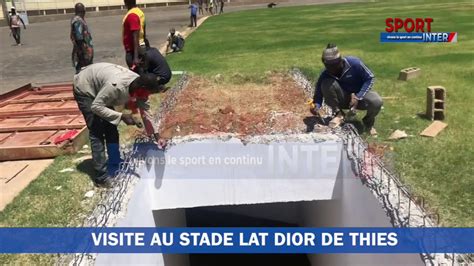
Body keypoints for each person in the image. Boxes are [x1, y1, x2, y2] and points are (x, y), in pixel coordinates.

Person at [73, 63, 167, 187]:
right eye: (147, 93)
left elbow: (146, 112)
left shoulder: (140, 85)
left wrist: (157, 135)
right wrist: (122, 116)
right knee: (97, 131)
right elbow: (96, 107)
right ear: (140, 88)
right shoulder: (115, 86)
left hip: (101, 87)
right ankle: (101, 177)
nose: (147, 96)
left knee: (111, 126)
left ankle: (115, 161)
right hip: (86, 87)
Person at [310, 44, 383, 135]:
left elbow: (370, 78)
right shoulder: (326, 74)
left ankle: (368, 123)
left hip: (360, 97)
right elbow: (318, 93)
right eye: (328, 66)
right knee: (326, 83)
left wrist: (357, 97)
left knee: (376, 101)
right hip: (343, 99)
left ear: (340, 61)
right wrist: (316, 105)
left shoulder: (354, 63)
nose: (331, 69)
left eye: (333, 66)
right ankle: (338, 114)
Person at [123, 0, 147, 69]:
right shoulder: (140, 12)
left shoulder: (132, 15)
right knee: (142, 73)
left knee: (136, 76)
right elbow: (144, 33)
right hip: (141, 47)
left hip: (134, 50)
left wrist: (135, 57)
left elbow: (135, 35)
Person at [70, 3, 94, 73]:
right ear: (83, 11)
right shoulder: (78, 21)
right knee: (83, 71)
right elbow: (79, 38)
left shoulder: (79, 19)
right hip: (83, 53)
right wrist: (82, 54)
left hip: (84, 52)